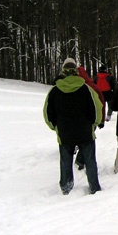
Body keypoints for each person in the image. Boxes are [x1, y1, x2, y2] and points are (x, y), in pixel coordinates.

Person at [44, 58, 103, 195]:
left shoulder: (54, 91)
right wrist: (94, 124)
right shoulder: (86, 89)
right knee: (90, 161)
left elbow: (48, 113)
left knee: (65, 161)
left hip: (64, 133)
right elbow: (96, 109)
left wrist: (55, 127)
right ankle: (94, 187)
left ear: (63, 70)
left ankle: (66, 187)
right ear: (76, 70)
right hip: (85, 132)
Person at [74, 66, 105, 171]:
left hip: (75, 118)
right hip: (91, 118)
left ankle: (80, 158)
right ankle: (82, 159)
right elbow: (101, 104)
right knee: (88, 139)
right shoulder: (93, 87)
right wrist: (101, 120)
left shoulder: (73, 86)